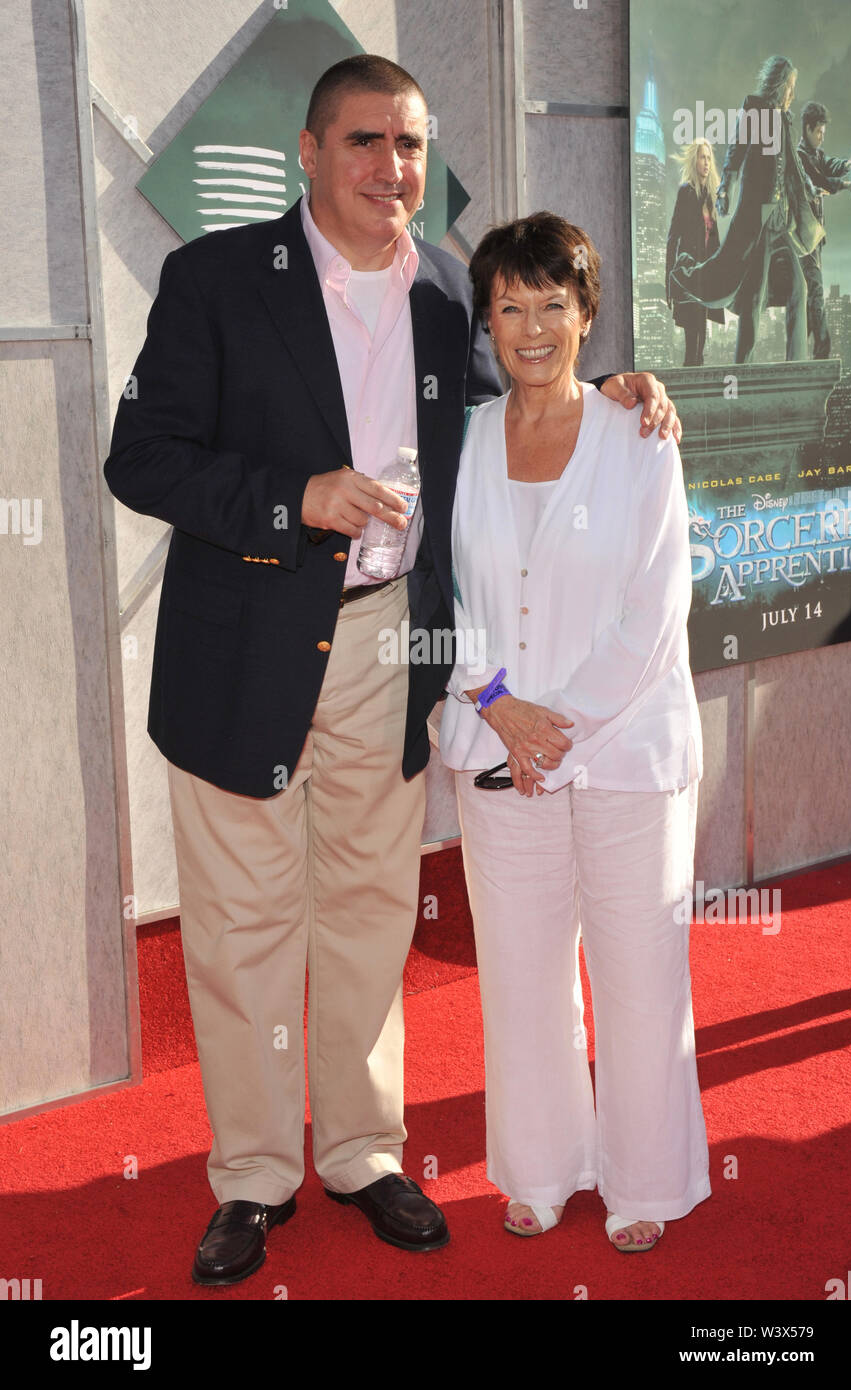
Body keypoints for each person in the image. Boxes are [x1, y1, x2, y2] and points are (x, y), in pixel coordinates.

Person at [104, 54, 682, 1286]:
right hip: (242, 648)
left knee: (371, 913)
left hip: (390, 648)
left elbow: (528, 396)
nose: (392, 168)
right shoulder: (215, 281)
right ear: (308, 153)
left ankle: (363, 1152)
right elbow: (140, 458)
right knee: (245, 926)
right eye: (364, 142)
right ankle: (253, 1177)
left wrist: (624, 385)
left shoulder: (442, 295)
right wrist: (289, 498)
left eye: (411, 144)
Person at [438, 212, 709, 1252]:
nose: (534, 326)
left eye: (555, 303)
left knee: (642, 973)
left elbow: (654, 612)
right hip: (496, 751)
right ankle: (543, 1170)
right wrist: (501, 703)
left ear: (588, 314)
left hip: (628, 754)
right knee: (520, 977)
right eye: (511, 306)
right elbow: (443, 595)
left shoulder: (638, 436)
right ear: (489, 324)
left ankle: (646, 1180)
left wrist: (560, 730)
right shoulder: (459, 444)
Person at [670, 56, 823, 364]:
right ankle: (743, 367)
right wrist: (726, 186)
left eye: (794, 88)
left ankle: (796, 365)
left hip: (782, 222)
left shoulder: (787, 119)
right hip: (759, 218)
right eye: (789, 87)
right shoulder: (755, 108)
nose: (792, 93)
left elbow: (792, 164)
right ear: (778, 85)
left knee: (799, 289)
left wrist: (810, 187)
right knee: (754, 295)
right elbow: (736, 151)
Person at [796, 101, 851, 359]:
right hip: (803, 238)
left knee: (809, 296)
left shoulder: (816, 155)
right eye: (819, 132)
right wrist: (846, 184)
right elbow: (820, 180)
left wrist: (848, 164)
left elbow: (828, 163)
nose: (822, 138)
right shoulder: (800, 158)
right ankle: (821, 352)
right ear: (808, 129)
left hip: (814, 239)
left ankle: (801, 350)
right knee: (815, 291)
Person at [665, 140, 725, 365]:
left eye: (709, 158)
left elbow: (715, 241)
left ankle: (697, 389)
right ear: (694, 161)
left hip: (706, 274)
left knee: (702, 339)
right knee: (694, 336)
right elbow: (673, 236)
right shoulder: (686, 192)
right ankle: (690, 391)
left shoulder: (711, 197)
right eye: (702, 157)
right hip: (689, 274)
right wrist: (669, 279)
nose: (706, 162)